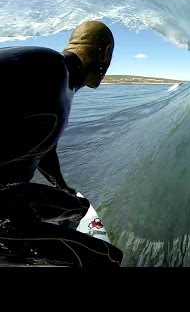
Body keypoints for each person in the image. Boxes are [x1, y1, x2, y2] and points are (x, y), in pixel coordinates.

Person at [0, 20, 123, 266]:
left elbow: (42, 146)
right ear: (105, 53)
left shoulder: (54, 73)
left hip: (11, 195)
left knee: (79, 207)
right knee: (108, 258)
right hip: (5, 210)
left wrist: (61, 185)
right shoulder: (51, 71)